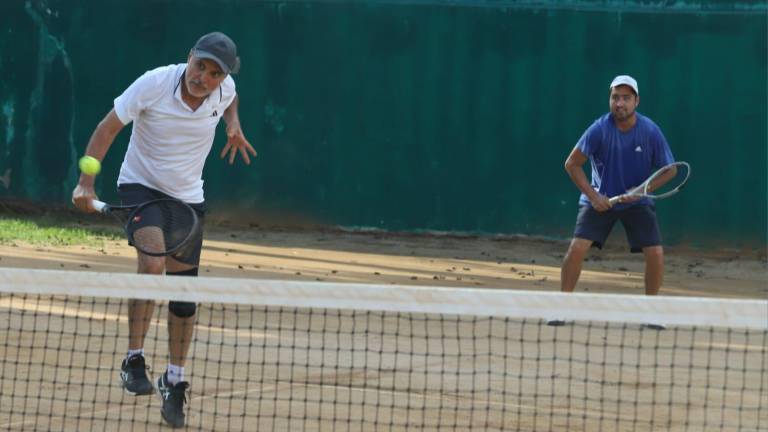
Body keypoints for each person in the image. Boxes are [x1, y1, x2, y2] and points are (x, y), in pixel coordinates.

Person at [71, 32, 256, 428]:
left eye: (213, 73)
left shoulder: (225, 90)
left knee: (184, 297)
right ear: (189, 57)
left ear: (223, 77)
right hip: (140, 186)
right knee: (153, 264)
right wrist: (86, 182)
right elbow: (107, 129)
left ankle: (175, 378)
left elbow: (232, 99)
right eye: (199, 66)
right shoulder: (153, 84)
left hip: (187, 199)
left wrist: (233, 124)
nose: (202, 77)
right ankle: (133, 357)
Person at [561, 75, 674, 297]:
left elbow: (670, 170)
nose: (619, 103)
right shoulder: (599, 129)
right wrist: (594, 196)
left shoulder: (650, 131)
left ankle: (651, 308)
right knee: (576, 249)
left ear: (636, 101)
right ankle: (562, 306)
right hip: (600, 199)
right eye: (615, 98)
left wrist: (642, 191)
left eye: (626, 98)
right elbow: (572, 164)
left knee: (656, 254)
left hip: (637, 202)